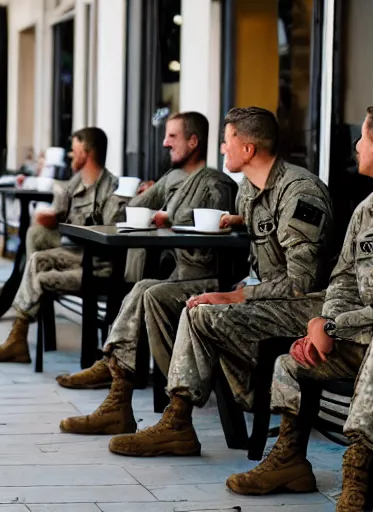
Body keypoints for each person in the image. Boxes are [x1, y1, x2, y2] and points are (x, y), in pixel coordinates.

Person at [103, 106, 334, 457]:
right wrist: (239, 221)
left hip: (306, 302)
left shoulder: (302, 194)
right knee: (164, 297)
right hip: (267, 293)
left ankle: (179, 420)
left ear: (248, 150)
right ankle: (171, 405)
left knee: (203, 312)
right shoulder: (249, 191)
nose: (222, 149)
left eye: (228, 142)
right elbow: (267, 228)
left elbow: (301, 283)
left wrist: (235, 296)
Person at [224, 101, 373, 511]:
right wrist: (323, 323)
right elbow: (343, 277)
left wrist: (337, 325)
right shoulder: (367, 209)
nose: (357, 145)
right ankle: (289, 460)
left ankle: (358, 477)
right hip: (362, 336)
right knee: (292, 360)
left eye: (362, 137)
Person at [57, 112, 238, 435]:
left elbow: (215, 251)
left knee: (144, 289)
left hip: (207, 280)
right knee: (144, 287)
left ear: (193, 142)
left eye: (173, 136)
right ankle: (117, 383)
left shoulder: (215, 184)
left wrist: (168, 223)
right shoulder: (172, 179)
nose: (165, 142)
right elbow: (135, 208)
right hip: (177, 276)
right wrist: (145, 192)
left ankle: (116, 382)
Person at [0, 127, 127, 363]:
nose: (70, 155)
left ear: (87, 151)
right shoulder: (73, 183)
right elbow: (58, 213)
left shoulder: (111, 188)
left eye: (74, 150)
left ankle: (13, 317)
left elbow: (109, 236)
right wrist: (52, 219)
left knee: (38, 262)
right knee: (36, 244)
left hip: (98, 261)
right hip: (78, 252)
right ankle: (18, 333)